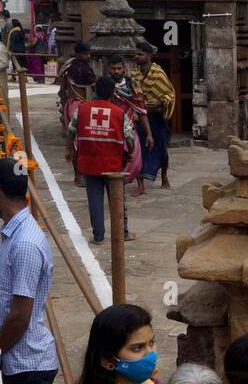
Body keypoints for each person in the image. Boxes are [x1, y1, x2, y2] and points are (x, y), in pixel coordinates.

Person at [0, 157, 58, 384]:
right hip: (19, 359)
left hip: (27, 362)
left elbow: (20, 315)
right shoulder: (14, 235)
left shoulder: (25, 243)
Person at [69, 76, 135, 246]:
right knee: (118, 199)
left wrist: (70, 151)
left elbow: (71, 131)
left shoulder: (82, 110)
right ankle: (123, 232)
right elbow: (129, 137)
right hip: (113, 163)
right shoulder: (119, 113)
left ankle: (98, 236)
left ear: (95, 91)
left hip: (89, 163)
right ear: (113, 93)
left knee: (94, 200)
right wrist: (132, 152)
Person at [131, 41, 175, 192]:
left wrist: (159, 103)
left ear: (149, 55)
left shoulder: (158, 73)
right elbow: (133, 94)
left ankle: (164, 176)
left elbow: (170, 94)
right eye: (136, 54)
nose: (137, 57)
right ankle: (140, 185)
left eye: (140, 54)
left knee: (162, 149)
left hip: (156, 117)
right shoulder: (134, 74)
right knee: (138, 149)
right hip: (140, 117)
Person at [106, 55, 151, 194]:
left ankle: (140, 185)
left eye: (119, 68)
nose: (116, 71)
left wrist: (149, 133)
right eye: (113, 69)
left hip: (129, 127)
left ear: (124, 69)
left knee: (135, 158)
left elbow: (141, 111)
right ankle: (114, 187)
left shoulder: (132, 86)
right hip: (111, 129)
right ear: (108, 69)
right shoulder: (105, 85)